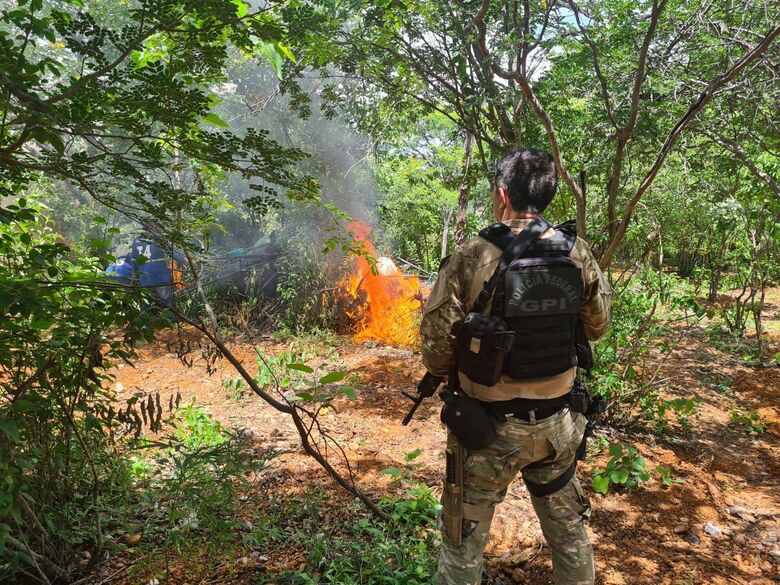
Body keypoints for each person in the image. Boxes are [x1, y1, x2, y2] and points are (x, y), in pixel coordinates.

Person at [420, 148, 612, 585]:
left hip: (485, 432)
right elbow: (597, 328)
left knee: (462, 548)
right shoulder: (576, 251)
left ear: (502, 194)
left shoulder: (472, 254)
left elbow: (435, 351)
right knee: (569, 535)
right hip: (557, 426)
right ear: (546, 197)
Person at [106, 225, 185, 308]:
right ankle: (169, 319)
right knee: (167, 304)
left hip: (145, 280)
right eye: (157, 227)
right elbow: (173, 253)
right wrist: (190, 261)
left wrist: (137, 279)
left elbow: (134, 263)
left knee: (146, 305)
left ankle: (145, 319)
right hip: (160, 278)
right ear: (152, 228)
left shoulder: (136, 240)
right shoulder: (157, 238)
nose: (158, 229)